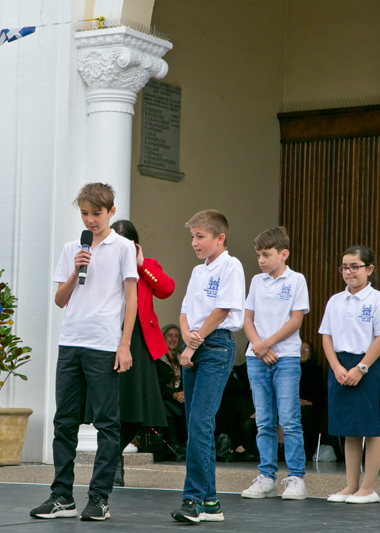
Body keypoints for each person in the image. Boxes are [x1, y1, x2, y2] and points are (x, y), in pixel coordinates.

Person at [30, 183, 138, 521]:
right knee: (64, 421)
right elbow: (60, 300)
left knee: (107, 423)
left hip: (105, 344)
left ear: (111, 213)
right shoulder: (71, 248)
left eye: (96, 213)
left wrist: (124, 344)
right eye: (85, 213)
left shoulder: (123, 248)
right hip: (71, 341)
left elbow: (131, 298)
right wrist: (76, 268)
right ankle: (61, 495)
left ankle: (99, 497)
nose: (90, 220)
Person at [84, 220, 174, 486]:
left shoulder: (148, 265)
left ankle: (114, 454)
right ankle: (112, 463)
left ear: (134, 245)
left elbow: (166, 289)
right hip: (106, 336)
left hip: (138, 340)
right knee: (110, 405)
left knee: (139, 409)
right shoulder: (100, 261)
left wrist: (141, 263)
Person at [170, 209, 245, 524]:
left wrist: (193, 342)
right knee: (195, 424)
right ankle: (211, 502)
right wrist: (186, 335)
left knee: (201, 421)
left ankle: (194, 500)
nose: (194, 243)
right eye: (192, 237)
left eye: (200, 236)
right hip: (196, 346)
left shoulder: (231, 265)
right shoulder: (198, 271)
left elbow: (223, 308)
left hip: (216, 346)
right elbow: (185, 310)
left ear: (220, 238)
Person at [319, 245, 380, 504]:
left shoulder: (379, 299)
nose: (349, 272)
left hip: (369, 366)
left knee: (371, 429)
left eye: (355, 266)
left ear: (370, 269)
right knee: (350, 429)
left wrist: (361, 368)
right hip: (341, 367)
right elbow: (326, 337)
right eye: (344, 267)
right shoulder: (335, 300)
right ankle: (351, 485)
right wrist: (336, 367)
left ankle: (368, 488)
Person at [241, 226, 310, 500]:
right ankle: (267, 476)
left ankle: (296, 477)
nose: (261, 260)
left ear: (284, 254)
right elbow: (247, 319)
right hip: (256, 356)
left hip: (286, 357)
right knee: (264, 421)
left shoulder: (297, 280)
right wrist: (259, 347)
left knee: (290, 419)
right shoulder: (257, 281)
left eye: (266, 254)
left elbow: (296, 320)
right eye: (258, 254)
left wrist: (265, 344)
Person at [215, 358, 258, 462]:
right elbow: (227, 385)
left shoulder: (238, 370)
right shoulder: (218, 367)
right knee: (232, 410)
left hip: (241, 400)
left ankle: (251, 449)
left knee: (253, 410)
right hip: (226, 401)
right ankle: (239, 447)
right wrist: (248, 387)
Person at [158, 324, 187, 453]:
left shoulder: (182, 358)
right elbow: (157, 383)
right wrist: (173, 394)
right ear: (163, 337)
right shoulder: (157, 358)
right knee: (166, 408)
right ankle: (173, 443)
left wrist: (183, 393)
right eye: (170, 335)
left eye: (176, 336)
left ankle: (187, 442)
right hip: (162, 397)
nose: (173, 339)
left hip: (180, 397)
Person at [299, 341, 326, 461]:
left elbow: (321, 391)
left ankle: (307, 451)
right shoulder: (290, 370)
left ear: (310, 354)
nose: (302, 352)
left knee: (308, 416)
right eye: (300, 350)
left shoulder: (316, 370)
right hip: (293, 403)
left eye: (305, 350)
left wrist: (310, 402)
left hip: (311, 405)